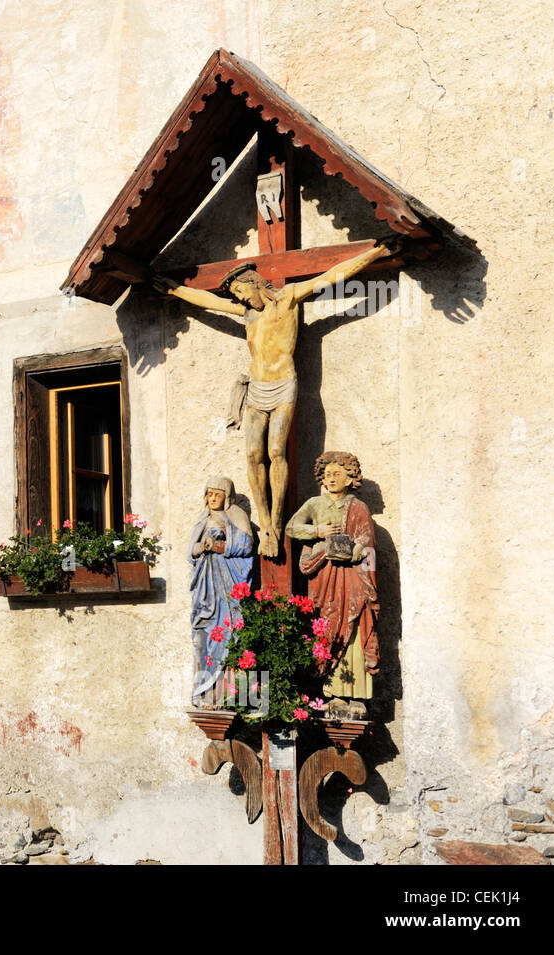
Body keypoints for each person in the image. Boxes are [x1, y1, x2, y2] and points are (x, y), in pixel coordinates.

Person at [154, 237, 403, 559]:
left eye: (242, 291)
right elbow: (205, 301)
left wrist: (377, 252)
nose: (240, 298)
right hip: (257, 387)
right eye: (236, 296)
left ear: (255, 283)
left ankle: (276, 519)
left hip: (284, 383)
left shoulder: (288, 299)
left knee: (275, 450)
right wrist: (174, 289)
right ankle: (265, 523)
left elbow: (332, 275)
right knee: (252, 454)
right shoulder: (246, 313)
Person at [284, 451, 379, 700]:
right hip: (323, 577)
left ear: (350, 479)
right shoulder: (315, 504)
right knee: (323, 626)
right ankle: (328, 691)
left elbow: (366, 542)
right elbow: (292, 528)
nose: (332, 478)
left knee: (352, 622)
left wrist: (350, 552)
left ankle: (354, 693)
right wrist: (318, 531)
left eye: (338, 473)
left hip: (351, 581)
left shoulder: (358, 507)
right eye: (327, 475)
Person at [189, 475, 254, 702]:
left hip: (227, 582)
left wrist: (218, 545)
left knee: (228, 630)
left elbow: (247, 545)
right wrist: (199, 547)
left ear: (227, 496)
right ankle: (203, 688)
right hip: (205, 586)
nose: (213, 498)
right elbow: (191, 551)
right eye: (209, 493)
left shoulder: (236, 515)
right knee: (204, 630)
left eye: (218, 493)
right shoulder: (203, 518)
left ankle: (227, 690)